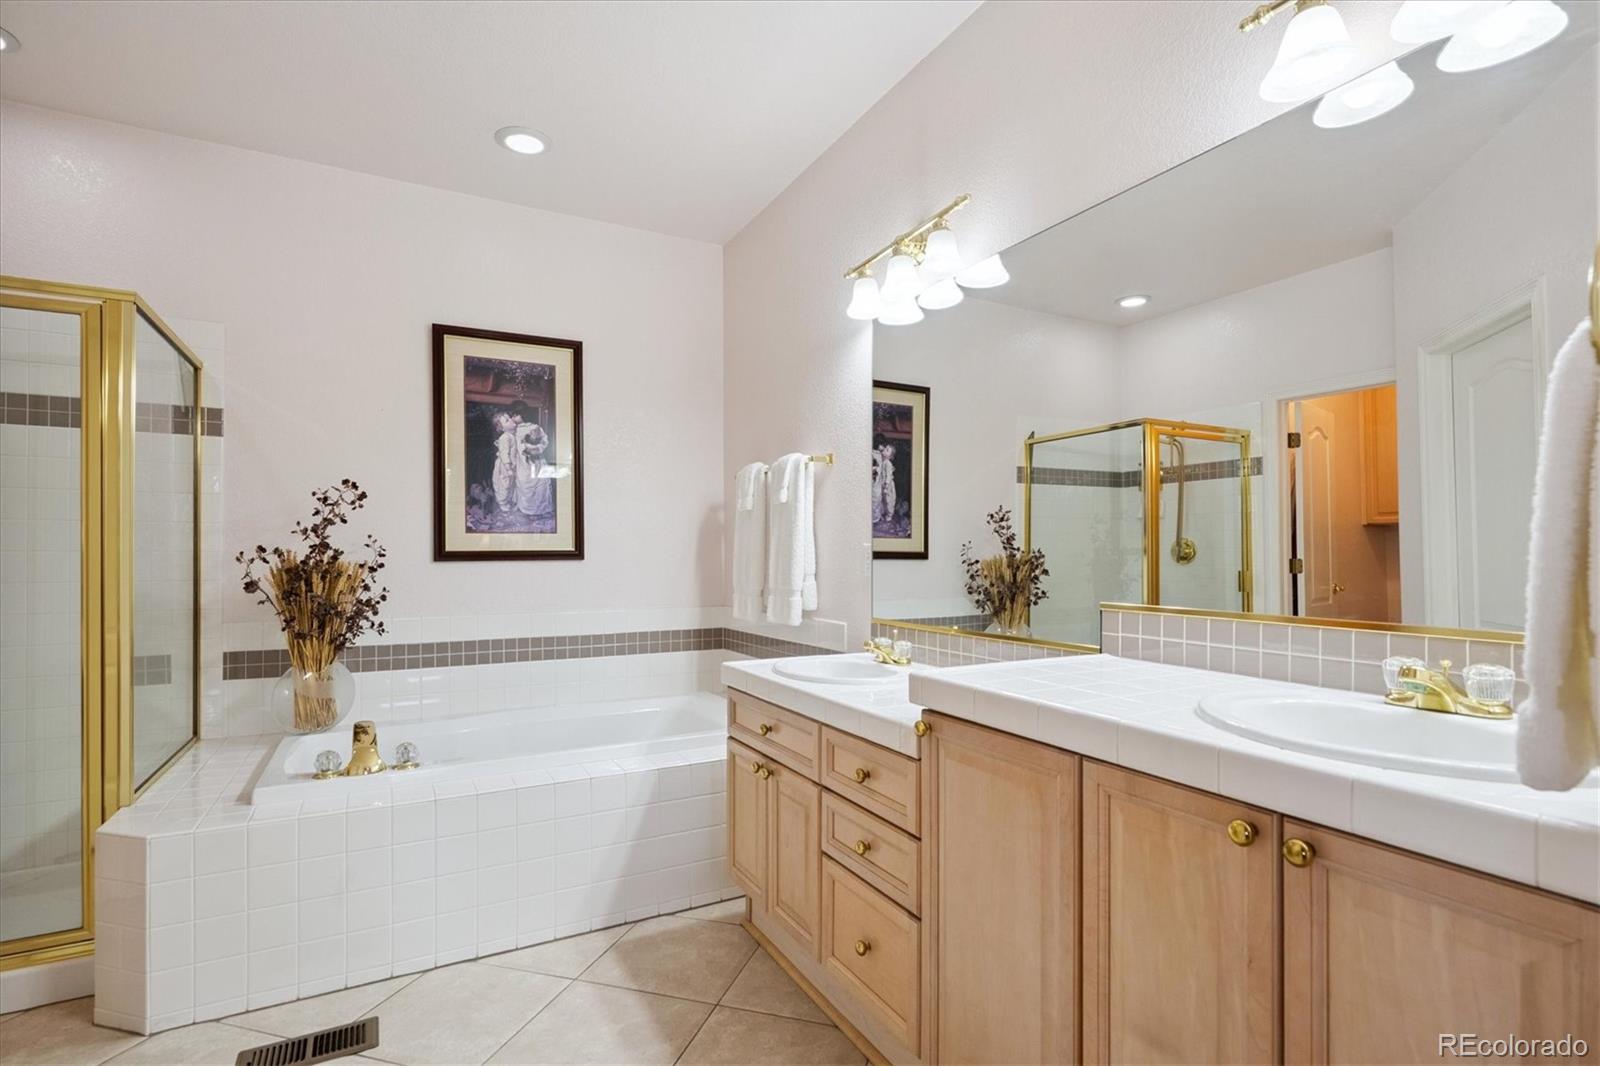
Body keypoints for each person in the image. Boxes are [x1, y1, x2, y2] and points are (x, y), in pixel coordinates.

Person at [509, 402, 556, 528]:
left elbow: (545, 441)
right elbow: (514, 446)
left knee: (539, 483)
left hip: (536, 460)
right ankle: (527, 510)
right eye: (512, 416)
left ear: (521, 414)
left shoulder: (535, 427)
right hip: (522, 461)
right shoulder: (514, 430)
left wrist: (535, 449)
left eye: (515, 415)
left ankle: (539, 510)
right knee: (524, 482)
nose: (513, 418)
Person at [490, 411, 517, 514]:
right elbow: (504, 454)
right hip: (505, 467)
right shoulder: (505, 437)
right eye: (507, 420)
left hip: (512, 465)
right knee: (504, 484)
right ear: (501, 428)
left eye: (509, 417)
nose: (511, 420)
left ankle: (508, 501)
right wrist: (508, 468)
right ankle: (502, 502)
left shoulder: (512, 435)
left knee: (511, 484)